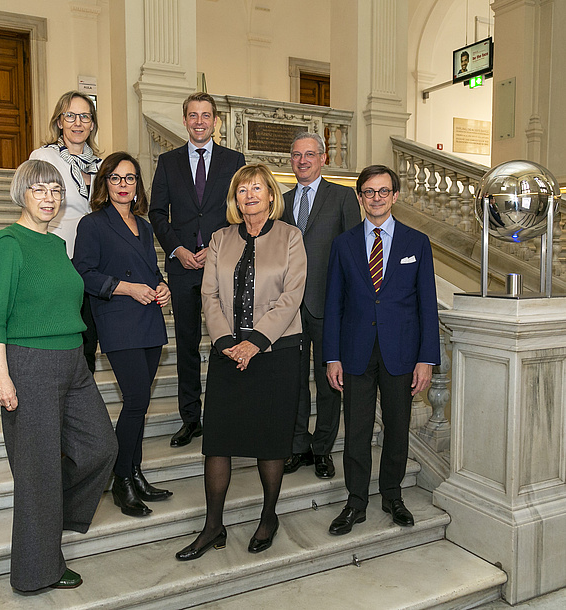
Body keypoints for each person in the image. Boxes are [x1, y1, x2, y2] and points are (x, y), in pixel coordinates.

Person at [0, 159, 117, 592]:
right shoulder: (4, 244)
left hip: (72, 361)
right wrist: (2, 378)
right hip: (29, 364)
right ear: (22, 193)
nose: (49, 198)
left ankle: (50, 512)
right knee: (38, 471)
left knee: (101, 447)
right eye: (39, 190)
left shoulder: (57, 245)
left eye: (55, 190)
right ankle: (36, 572)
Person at [175, 164, 306, 561]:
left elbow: (292, 294)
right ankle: (213, 525)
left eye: (257, 188)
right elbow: (209, 294)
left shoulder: (290, 236)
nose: (250, 194)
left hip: (276, 351)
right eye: (242, 189)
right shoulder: (219, 238)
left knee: (270, 441)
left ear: (270, 195)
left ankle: (268, 517)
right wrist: (228, 341)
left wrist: (257, 342)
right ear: (235, 199)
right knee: (217, 442)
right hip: (226, 351)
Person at [323, 164, 440, 535]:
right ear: (359, 198)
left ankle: (393, 495)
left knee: (397, 427)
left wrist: (427, 358)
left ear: (395, 196)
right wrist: (332, 356)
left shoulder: (416, 243)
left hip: (401, 352)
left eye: (383, 191)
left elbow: (427, 305)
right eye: (369, 192)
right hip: (355, 351)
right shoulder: (343, 244)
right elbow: (333, 304)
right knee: (356, 430)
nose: (376, 198)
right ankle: (355, 501)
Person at [73, 152, 173, 518]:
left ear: (138, 186)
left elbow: (152, 270)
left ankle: (134, 472)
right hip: (118, 320)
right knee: (135, 401)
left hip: (149, 320)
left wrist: (163, 286)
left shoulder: (145, 226)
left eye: (130, 179)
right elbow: (83, 273)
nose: (123, 185)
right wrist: (126, 288)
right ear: (104, 184)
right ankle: (120, 480)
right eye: (115, 178)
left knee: (141, 403)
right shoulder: (93, 224)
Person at [149, 92, 246, 448]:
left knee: (229, 341)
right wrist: (178, 249)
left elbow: (242, 208)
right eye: (193, 115)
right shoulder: (168, 161)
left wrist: (216, 248)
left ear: (215, 121)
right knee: (187, 345)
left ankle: (229, 415)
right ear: (185, 120)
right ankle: (191, 419)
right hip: (183, 268)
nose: (200, 121)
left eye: (206, 115)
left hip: (224, 267)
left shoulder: (235, 160)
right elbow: (157, 212)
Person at [281, 132, 360, 479]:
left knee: (329, 381)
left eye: (309, 154)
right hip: (287, 308)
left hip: (328, 306)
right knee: (293, 381)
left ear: (323, 158)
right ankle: (297, 444)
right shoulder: (279, 201)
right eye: (297, 155)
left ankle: (323, 448)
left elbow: (354, 255)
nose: (303, 161)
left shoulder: (342, 197)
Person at [29, 90, 101, 372]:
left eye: (85, 116)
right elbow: (34, 206)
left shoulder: (99, 164)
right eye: (70, 115)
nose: (78, 122)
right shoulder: (44, 157)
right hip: (57, 256)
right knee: (61, 334)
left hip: (91, 260)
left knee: (88, 337)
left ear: (92, 123)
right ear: (59, 121)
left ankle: (82, 399)